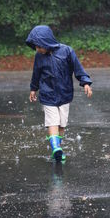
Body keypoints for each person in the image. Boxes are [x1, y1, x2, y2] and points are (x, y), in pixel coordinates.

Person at [26, 25, 92, 162]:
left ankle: (58, 149)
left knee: (61, 124)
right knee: (52, 122)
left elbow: (78, 68)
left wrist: (85, 82)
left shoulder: (67, 51)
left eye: (39, 46)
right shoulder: (39, 56)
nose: (37, 49)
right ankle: (55, 148)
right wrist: (33, 88)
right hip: (47, 94)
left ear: (46, 41)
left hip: (64, 94)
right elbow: (36, 73)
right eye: (35, 47)